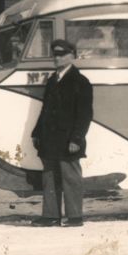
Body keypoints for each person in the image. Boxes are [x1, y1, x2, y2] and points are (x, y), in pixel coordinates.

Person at [30, 39, 93, 227]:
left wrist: (76, 138)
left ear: (72, 56)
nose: (56, 58)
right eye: (55, 54)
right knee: (49, 178)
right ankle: (51, 216)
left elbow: (85, 115)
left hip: (68, 140)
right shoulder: (52, 81)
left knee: (70, 178)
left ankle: (75, 217)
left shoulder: (81, 82)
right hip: (49, 139)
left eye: (61, 54)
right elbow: (45, 110)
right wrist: (36, 133)